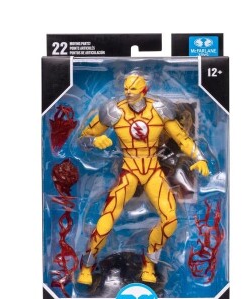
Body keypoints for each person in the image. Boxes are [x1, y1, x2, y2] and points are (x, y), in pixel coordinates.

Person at [77, 73, 209, 285]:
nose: (128, 93)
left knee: (170, 219)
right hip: (129, 169)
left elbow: (182, 138)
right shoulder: (114, 111)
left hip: (152, 169)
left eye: (133, 90)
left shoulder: (159, 109)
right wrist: (94, 141)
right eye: (126, 89)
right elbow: (83, 138)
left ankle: (149, 264)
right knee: (107, 218)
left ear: (144, 91)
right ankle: (86, 266)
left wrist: (199, 157)